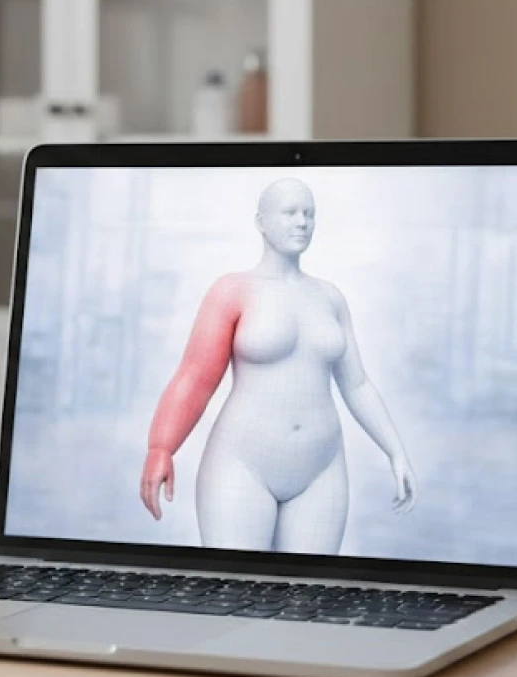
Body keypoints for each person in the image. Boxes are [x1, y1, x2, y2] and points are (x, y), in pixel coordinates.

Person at [139, 178, 416, 554]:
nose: (302, 222)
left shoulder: (330, 297)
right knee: (233, 596)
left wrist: (396, 451)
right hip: (241, 463)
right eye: (290, 212)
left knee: (309, 600)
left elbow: (357, 384)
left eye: (309, 213)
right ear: (261, 221)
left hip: (322, 468)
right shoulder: (233, 290)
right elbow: (195, 378)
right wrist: (161, 447)